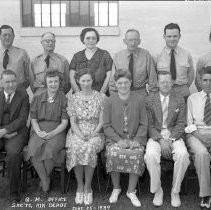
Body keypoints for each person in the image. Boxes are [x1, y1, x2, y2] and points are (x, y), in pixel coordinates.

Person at [144, 71, 190, 208]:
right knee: (150, 155)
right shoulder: (149, 100)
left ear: (172, 83)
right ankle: (158, 190)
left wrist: (170, 139)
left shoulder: (179, 98)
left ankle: (175, 191)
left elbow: (181, 123)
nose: (165, 84)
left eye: (168, 81)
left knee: (183, 155)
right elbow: (149, 125)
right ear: (157, 83)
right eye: (162, 81)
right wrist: (160, 140)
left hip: (174, 135)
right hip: (156, 135)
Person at [103, 69, 148, 207]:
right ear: (115, 84)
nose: (123, 85)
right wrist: (119, 140)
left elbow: (143, 123)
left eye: (126, 82)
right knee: (113, 153)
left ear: (131, 83)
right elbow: (106, 126)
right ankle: (116, 188)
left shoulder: (139, 99)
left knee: (137, 153)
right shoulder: (109, 100)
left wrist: (136, 140)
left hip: (135, 138)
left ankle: (131, 191)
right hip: (115, 139)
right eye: (120, 83)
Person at [66, 68, 105, 205]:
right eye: (83, 80)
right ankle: (79, 186)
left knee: (89, 147)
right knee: (76, 146)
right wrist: (81, 134)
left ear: (92, 80)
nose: (86, 83)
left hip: (96, 132)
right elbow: (72, 122)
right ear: (78, 81)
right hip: (77, 131)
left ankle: (88, 187)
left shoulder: (101, 97)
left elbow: (101, 121)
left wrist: (93, 134)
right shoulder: (73, 98)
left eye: (89, 80)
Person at [27, 70, 68, 193]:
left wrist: (53, 133)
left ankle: (44, 180)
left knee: (50, 149)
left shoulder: (63, 98)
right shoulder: (38, 97)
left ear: (59, 82)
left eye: (56, 81)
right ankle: (45, 179)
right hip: (39, 128)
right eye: (50, 81)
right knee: (33, 149)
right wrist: (38, 131)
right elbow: (33, 119)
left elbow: (65, 122)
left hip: (58, 130)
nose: (53, 84)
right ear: (46, 82)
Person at [0, 70, 29, 202]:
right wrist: (3, 132)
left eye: (13, 81)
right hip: (1, 133)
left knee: (13, 153)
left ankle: (13, 191)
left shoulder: (23, 95)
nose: (11, 84)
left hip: (18, 132)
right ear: (1, 82)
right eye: (7, 81)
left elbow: (22, 119)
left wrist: (5, 130)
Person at [185, 66, 211, 209]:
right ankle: (206, 194)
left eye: (210, 80)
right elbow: (189, 125)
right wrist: (202, 137)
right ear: (199, 81)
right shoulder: (192, 98)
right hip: (196, 134)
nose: (208, 83)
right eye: (205, 80)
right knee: (202, 154)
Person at [109, 29, 157, 97]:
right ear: (125, 41)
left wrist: (152, 97)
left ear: (139, 41)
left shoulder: (146, 55)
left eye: (136, 40)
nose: (133, 43)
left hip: (141, 94)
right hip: (122, 94)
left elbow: (152, 78)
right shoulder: (117, 56)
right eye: (130, 40)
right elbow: (112, 80)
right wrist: (114, 96)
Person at [155, 23, 194, 102]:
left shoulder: (187, 54)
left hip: (182, 93)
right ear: (164, 37)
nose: (172, 39)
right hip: (163, 94)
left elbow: (191, 73)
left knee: (183, 114)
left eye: (175, 36)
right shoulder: (156, 55)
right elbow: (153, 76)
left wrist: (185, 87)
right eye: (169, 36)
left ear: (179, 36)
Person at [69, 27, 113, 95]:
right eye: (88, 38)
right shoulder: (77, 56)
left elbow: (109, 76)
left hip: (100, 95)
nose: (91, 40)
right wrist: (79, 95)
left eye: (93, 38)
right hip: (79, 97)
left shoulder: (105, 55)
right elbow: (71, 77)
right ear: (83, 40)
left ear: (97, 40)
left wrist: (101, 94)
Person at [0, 25, 30, 90]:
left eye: (10, 35)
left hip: (18, 92)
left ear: (13, 37)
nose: (7, 37)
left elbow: (29, 75)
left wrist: (21, 88)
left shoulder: (22, 53)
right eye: (5, 35)